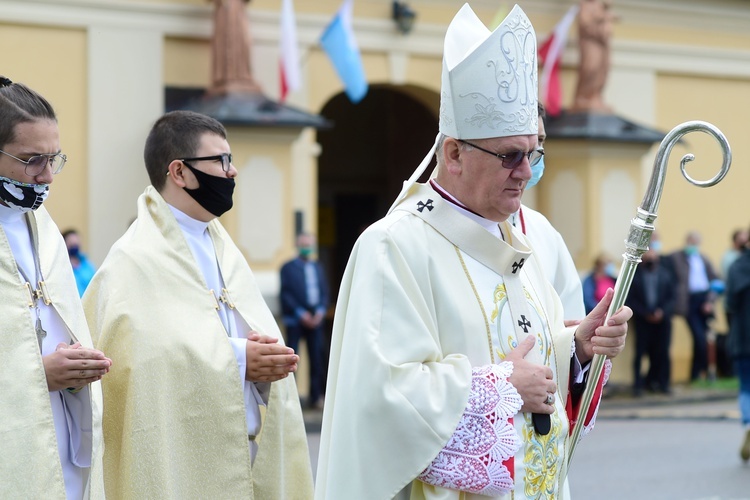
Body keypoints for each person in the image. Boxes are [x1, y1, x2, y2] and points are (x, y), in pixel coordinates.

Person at [315, 6, 631, 499]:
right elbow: (378, 400)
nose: (526, 171)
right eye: (510, 155)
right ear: (455, 153)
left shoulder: (517, 244)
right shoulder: (393, 245)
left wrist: (577, 347)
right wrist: (502, 388)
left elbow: (527, 357)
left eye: (534, 153)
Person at [82, 110, 313, 498]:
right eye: (221, 160)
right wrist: (238, 359)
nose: (232, 171)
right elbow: (140, 367)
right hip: (182, 463)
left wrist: (268, 359)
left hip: (248, 450)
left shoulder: (224, 248)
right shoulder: (132, 261)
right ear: (179, 172)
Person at [0, 76, 111, 498]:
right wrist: (36, 374)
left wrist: (76, 365)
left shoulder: (45, 230)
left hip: (62, 440)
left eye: (54, 159)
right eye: (31, 160)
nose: (48, 175)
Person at [510, 103, 586, 323]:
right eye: (513, 152)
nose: (527, 165)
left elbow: (570, 319)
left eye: (540, 142)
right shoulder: (415, 234)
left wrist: (582, 344)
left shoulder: (542, 229)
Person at [280, 232, 329, 409]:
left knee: (316, 358)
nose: (307, 248)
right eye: (304, 244)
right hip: (295, 320)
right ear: (297, 245)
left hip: (316, 320)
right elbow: (286, 295)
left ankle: (315, 397)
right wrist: (301, 314)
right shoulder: (288, 268)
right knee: (291, 360)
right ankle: (290, 399)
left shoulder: (318, 267)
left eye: (309, 244)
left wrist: (321, 312)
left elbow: (324, 292)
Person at [626, 234, 676, 395]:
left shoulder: (665, 273)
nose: (651, 256)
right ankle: (638, 386)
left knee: (662, 352)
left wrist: (662, 312)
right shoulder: (635, 275)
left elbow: (672, 297)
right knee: (640, 352)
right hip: (643, 320)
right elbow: (630, 298)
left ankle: (662, 383)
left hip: (663, 320)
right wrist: (645, 313)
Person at [670, 231, 719, 381]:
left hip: (703, 301)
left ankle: (700, 373)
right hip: (689, 302)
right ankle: (696, 373)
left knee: (705, 339)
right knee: (698, 337)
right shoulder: (677, 257)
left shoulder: (703, 258)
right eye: (691, 242)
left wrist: (710, 301)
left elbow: (715, 281)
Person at [724, 235, 750, 462]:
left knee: (746, 387)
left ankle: (749, 425)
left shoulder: (737, 267)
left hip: (744, 337)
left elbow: (730, 303)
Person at [572, 0, 616, 113]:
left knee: (603, 69)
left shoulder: (601, 6)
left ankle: (595, 96)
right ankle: (584, 97)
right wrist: (602, 17)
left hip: (602, 43)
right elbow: (584, 23)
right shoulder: (585, 6)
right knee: (591, 68)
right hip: (591, 42)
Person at [62, 228, 97, 296]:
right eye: (71, 244)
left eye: (76, 243)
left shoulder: (87, 264)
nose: (74, 246)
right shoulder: (61, 267)